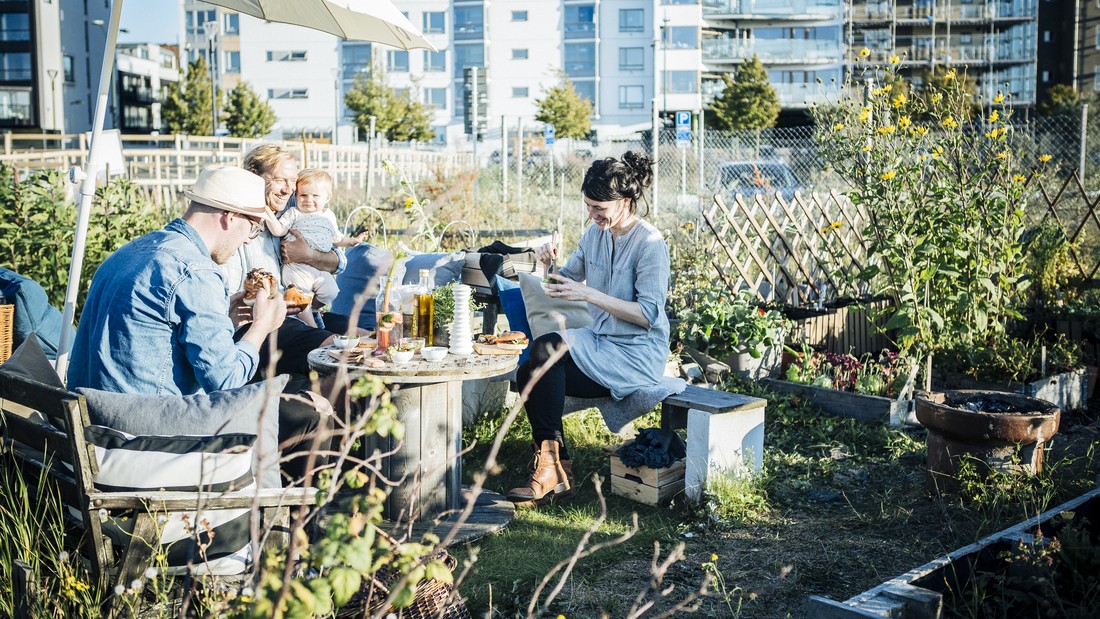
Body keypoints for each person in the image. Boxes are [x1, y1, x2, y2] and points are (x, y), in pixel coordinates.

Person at [67, 165, 329, 482]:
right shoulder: (196, 271)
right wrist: (261, 327)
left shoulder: (128, 253)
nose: (249, 240)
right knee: (312, 413)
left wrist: (226, 323)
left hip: (95, 433)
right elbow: (227, 383)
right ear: (229, 217)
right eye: (253, 227)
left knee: (293, 401)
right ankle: (278, 524)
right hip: (145, 447)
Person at [507, 151, 671, 508]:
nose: (592, 216)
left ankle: (554, 472)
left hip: (636, 354)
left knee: (544, 354)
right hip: (598, 343)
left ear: (626, 201)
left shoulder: (650, 244)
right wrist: (551, 267)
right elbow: (563, 283)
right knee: (530, 370)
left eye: (600, 208)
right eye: (588, 207)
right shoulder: (594, 234)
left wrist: (589, 294)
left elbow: (647, 315)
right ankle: (555, 467)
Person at [222, 144, 354, 375]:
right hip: (257, 322)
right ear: (255, 178)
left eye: (292, 181)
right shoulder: (237, 221)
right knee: (333, 343)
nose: (289, 190)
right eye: (280, 180)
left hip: (297, 307)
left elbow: (339, 261)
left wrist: (310, 255)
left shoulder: (294, 207)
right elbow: (230, 300)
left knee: (350, 326)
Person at [265, 168, 359, 328]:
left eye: (315, 196)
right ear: (296, 197)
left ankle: (312, 309)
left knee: (331, 291)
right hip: (296, 267)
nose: (308, 200)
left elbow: (337, 238)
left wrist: (352, 241)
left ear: (327, 198)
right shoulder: (293, 213)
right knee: (299, 296)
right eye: (303, 195)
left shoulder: (329, 216)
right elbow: (279, 230)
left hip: (318, 269)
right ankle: (312, 327)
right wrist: (266, 212)